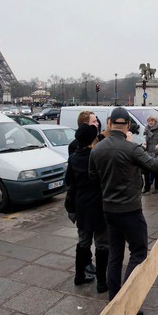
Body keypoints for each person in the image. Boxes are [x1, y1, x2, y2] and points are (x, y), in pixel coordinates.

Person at [89, 107, 158, 312]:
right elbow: (156, 167)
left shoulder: (97, 149)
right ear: (128, 126)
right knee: (138, 252)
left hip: (109, 209)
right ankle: (130, 303)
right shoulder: (131, 148)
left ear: (109, 124)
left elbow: (93, 178)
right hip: (130, 209)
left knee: (115, 255)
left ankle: (114, 300)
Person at [63, 125, 106, 292]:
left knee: (83, 242)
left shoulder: (73, 158)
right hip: (98, 204)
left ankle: (79, 276)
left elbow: (69, 181)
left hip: (82, 205)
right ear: (91, 140)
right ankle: (102, 282)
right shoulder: (96, 156)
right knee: (102, 243)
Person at [142, 116, 158, 194]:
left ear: (155, 121)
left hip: (156, 151)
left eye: (152, 120)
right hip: (148, 151)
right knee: (146, 170)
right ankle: (147, 188)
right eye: (149, 120)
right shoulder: (147, 130)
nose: (151, 122)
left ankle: (157, 187)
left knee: (156, 170)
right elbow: (147, 140)